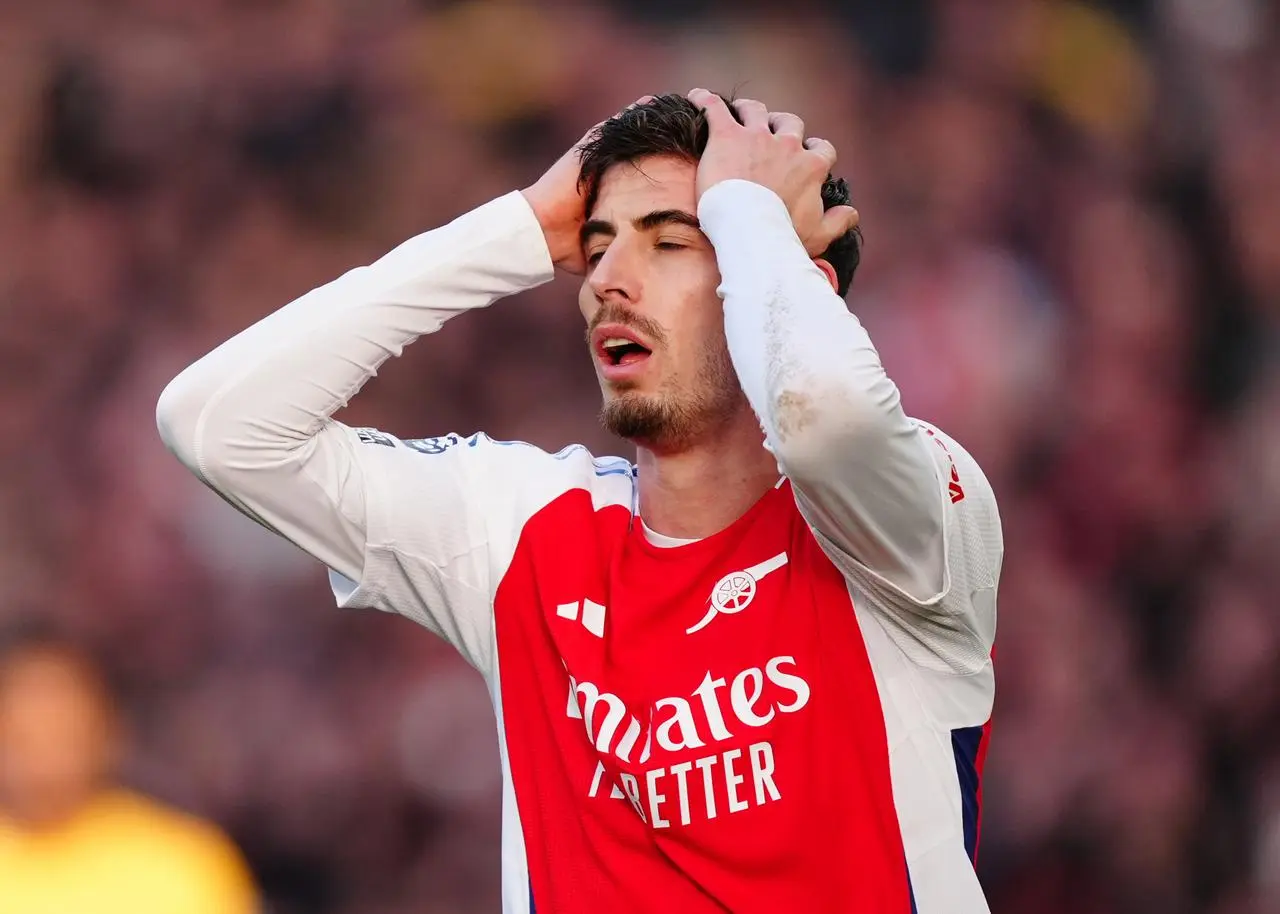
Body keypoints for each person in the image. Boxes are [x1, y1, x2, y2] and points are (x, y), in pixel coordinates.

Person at [158, 89, 1002, 913]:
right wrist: (520, 229)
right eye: (595, 248)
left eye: (671, 242)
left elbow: (829, 420)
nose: (607, 281)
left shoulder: (914, 518)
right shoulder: (524, 530)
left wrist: (747, 213)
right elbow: (218, 425)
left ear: (787, 282)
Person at [0, 628, 259, 914]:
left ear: (107, 730)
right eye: (23, 734)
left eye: (60, 731)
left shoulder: (182, 863)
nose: (43, 760)